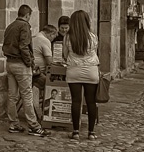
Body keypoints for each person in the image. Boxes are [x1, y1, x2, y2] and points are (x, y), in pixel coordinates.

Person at [2, 5, 49, 137]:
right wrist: (30, 63)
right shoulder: (24, 26)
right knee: (27, 95)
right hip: (20, 64)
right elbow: (24, 46)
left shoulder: (10, 26)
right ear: (27, 15)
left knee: (12, 96)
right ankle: (33, 126)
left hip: (10, 62)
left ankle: (13, 123)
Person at [62, 10, 100, 141]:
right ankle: (91, 132)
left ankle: (76, 132)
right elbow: (95, 51)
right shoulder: (93, 37)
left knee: (76, 101)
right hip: (91, 71)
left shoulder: (68, 37)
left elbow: (65, 54)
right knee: (91, 102)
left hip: (74, 70)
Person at [31, 25, 58, 120]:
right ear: (51, 34)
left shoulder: (34, 37)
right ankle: (47, 113)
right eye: (54, 37)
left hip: (31, 72)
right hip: (37, 74)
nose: (53, 39)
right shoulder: (44, 40)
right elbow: (49, 61)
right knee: (54, 84)